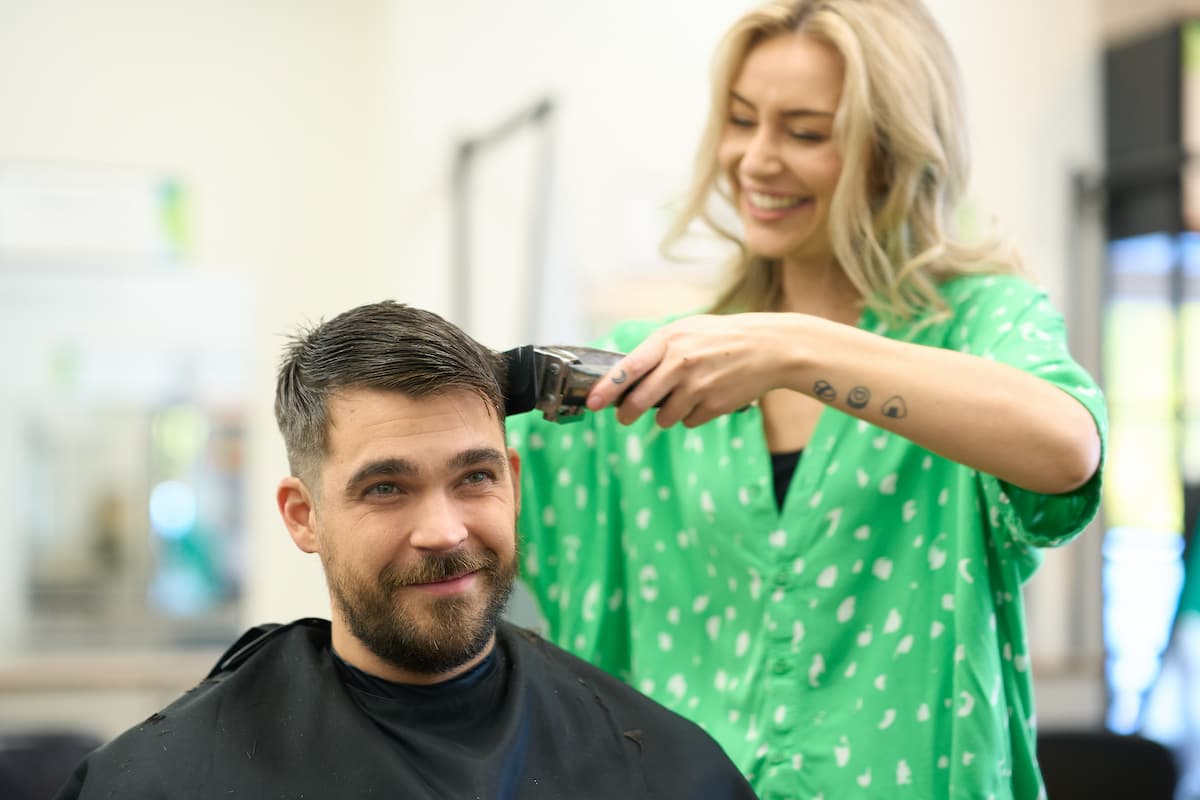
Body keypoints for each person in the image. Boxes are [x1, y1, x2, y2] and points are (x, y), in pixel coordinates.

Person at [506, 1, 1108, 798]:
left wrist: (791, 348)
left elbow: (1065, 450)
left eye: (805, 132)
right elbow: (469, 506)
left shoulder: (983, 323)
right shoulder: (656, 363)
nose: (755, 160)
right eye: (741, 119)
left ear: (892, 152)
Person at [53, 301, 757, 800]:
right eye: (387, 488)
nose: (445, 531)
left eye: (473, 477)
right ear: (305, 517)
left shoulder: (664, 767)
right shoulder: (166, 780)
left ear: (512, 485)